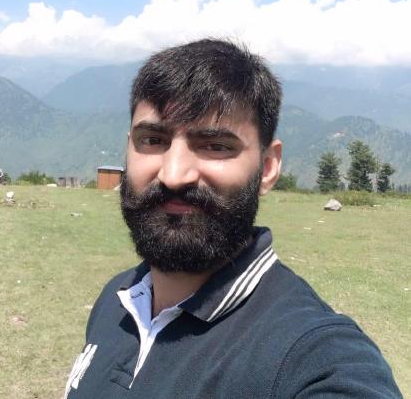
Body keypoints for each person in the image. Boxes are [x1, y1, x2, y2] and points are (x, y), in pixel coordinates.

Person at [65, 39, 402, 398]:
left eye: (215, 145)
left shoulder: (312, 356)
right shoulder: (118, 298)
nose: (173, 175)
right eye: (152, 140)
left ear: (268, 167)